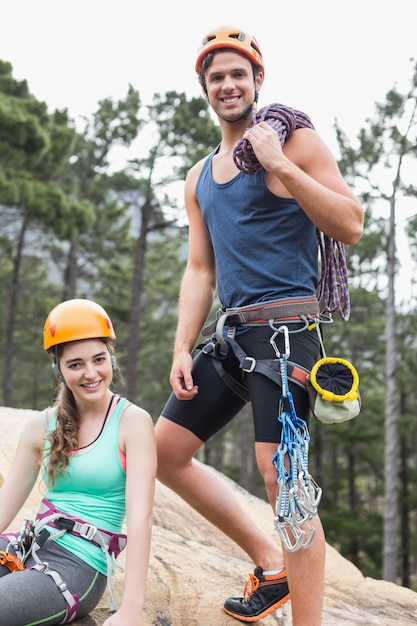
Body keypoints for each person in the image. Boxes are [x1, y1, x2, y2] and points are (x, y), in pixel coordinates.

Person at [155, 25, 364, 625]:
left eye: (237, 74)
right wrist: (179, 345)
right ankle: (272, 568)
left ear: (257, 81)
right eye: (216, 76)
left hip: (288, 336)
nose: (227, 85)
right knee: (165, 453)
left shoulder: (293, 141)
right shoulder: (199, 177)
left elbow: (350, 223)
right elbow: (200, 267)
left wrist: (280, 165)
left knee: (285, 486)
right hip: (230, 338)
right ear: (204, 87)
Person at [0, 299, 156, 626]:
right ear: (58, 370)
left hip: (79, 567)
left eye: (99, 360)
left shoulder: (132, 422)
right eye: (75, 364)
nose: (90, 373)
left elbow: (141, 516)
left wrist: (131, 609)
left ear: (110, 358)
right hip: (29, 545)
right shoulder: (41, 426)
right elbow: (5, 506)